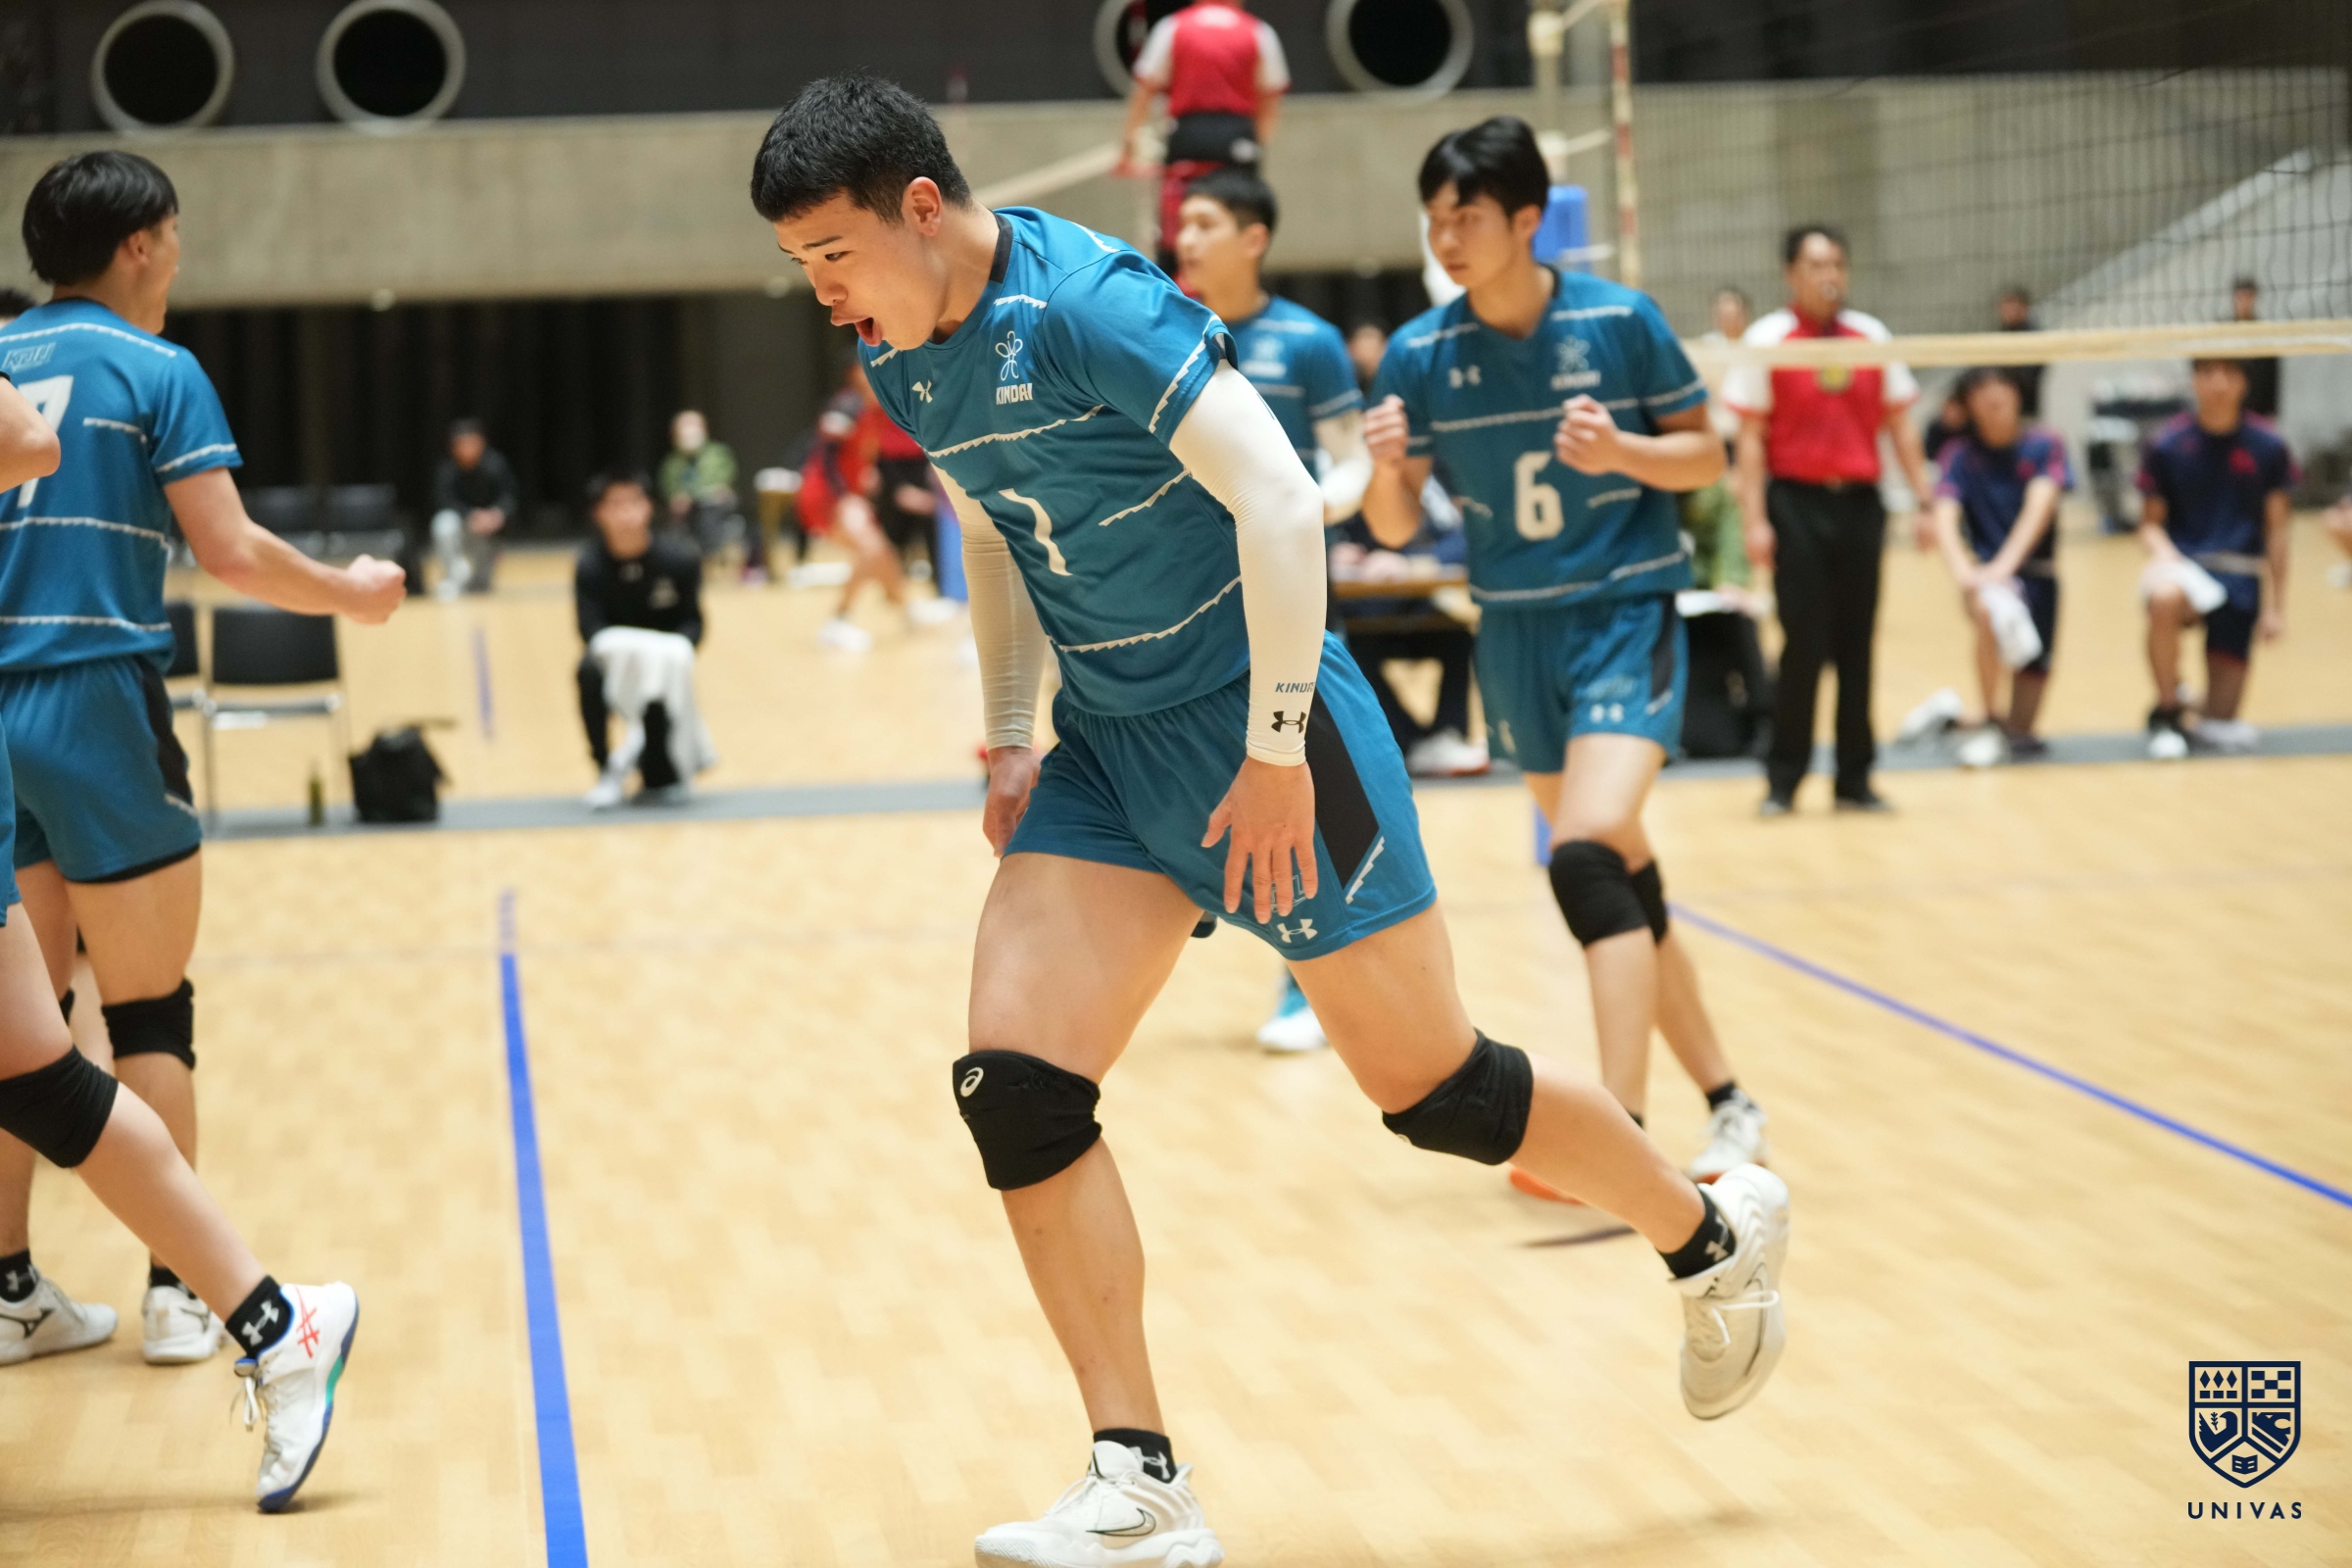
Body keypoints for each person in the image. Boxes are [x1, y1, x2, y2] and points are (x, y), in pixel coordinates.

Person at [753, 76, 1789, 1568]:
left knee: (1435, 1087)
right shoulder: (900, 350)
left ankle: (1708, 1229)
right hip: (1111, 752)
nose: (824, 291)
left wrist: (1281, 748)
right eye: (801, 266)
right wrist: (1010, 731)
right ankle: (1139, 1481)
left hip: (1272, 727)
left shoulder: (1091, 306)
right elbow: (987, 525)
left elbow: (1285, 505)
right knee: (1017, 1083)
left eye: (833, 253)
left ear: (921, 208)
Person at [0, 146, 392, 1472]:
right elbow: (228, 551)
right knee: (146, 1010)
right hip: (98, 699)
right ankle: (183, 1295)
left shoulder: (2, 359)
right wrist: (351, 593)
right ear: (143, 244)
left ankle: (12, 1288)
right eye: (174, 236)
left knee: (24, 1028)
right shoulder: (153, 369)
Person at [1364, 114, 1774, 1194]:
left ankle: (1617, 1139)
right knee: (1620, 872)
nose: (1448, 238)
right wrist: (1388, 472)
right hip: (1514, 633)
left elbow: (1706, 457)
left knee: (1585, 854)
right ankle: (1730, 1100)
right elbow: (1394, 527)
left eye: (1469, 216)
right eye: (1436, 219)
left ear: (1528, 221)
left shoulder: (1619, 321)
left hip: (1624, 616)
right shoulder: (1422, 353)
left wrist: (1623, 449)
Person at [1172, 166, 1397, 1054]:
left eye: (1204, 222)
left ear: (1254, 237)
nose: (1186, 238)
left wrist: (1306, 510)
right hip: (1187, 595)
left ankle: (1304, 988)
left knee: (1298, 779)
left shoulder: (1309, 343)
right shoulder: (1165, 327)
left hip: (1288, 597)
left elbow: (1351, 459)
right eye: (1182, 223)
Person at [1726, 222, 1936, 815]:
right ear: (1791, 274)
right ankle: (1784, 780)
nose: (1830, 276)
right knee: (1803, 644)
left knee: (1857, 643)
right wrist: (1754, 520)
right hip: (1795, 504)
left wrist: (1925, 501)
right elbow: (1750, 438)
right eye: (1817, 265)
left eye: (1837, 264)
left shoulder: (1870, 335)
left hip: (1861, 505)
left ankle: (1854, 779)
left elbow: (1900, 425)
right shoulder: (1768, 339)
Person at [2136, 358, 2293, 758]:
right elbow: (2149, 525)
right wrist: (2167, 557)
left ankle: (2190, 703)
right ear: (2194, 382)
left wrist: (2276, 607)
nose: (2218, 384)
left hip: (2240, 574)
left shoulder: (2268, 445)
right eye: (2208, 374)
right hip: (2187, 568)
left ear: (2243, 382)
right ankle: (2168, 709)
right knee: (2163, 598)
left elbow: (2278, 530)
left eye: (2228, 373)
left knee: (2219, 723)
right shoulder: (2168, 444)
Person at [1927, 368, 2068, 766]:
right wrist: (1966, 574)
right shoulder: (1958, 454)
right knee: (1989, 609)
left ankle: (1951, 718)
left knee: (2022, 732)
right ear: (1968, 403)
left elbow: (2039, 508)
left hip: (2036, 576)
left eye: (2000, 387)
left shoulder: (2045, 444)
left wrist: (2005, 567)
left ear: (2018, 394)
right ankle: (1987, 720)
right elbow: (1944, 516)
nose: (1992, 398)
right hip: (1985, 581)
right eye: (1981, 390)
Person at [1116, 0, 1289, 269]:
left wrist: (1129, 146)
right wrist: (1257, 141)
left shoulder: (1173, 27)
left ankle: (1173, 280)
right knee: (1242, 220)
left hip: (1187, 135)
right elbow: (1271, 96)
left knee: (1176, 224)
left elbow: (1145, 87)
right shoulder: (1258, 31)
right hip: (1238, 137)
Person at [798, 361, 956, 651]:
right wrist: (844, 496)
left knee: (883, 554)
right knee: (872, 549)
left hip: (848, 495)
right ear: (855, 374)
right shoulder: (846, 406)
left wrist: (867, 473)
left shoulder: (878, 411)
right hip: (827, 496)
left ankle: (907, 613)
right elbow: (826, 454)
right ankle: (838, 621)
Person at [576, 470, 708, 808]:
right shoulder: (590, 566)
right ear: (599, 513)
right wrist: (627, 651)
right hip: (613, 660)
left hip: (664, 664)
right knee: (587, 672)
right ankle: (605, 768)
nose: (626, 513)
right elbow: (589, 628)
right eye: (615, 505)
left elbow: (693, 622)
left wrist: (673, 652)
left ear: (649, 507)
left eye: (634, 503)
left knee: (659, 781)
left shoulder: (679, 559)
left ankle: (662, 766)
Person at [429, 416, 516, 598]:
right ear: (454, 447)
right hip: (463, 527)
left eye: (472, 443)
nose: (468, 449)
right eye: (463, 444)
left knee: (481, 586)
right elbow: (445, 501)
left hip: (490, 531)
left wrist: (497, 514)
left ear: (481, 443)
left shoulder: (496, 466)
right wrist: (470, 515)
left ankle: (479, 578)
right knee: (443, 523)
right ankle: (454, 577)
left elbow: (509, 497)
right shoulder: (447, 471)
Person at [657, 409, 748, 572]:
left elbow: (724, 481)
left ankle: (714, 557)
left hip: (715, 509)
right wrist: (677, 498)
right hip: (686, 514)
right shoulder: (671, 463)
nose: (689, 432)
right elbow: (669, 489)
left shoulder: (718, 454)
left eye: (693, 426)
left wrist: (702, 494)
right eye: (684, 427)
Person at [2230, 277, 2280, 419]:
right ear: (2234, 298)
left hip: (2258, 408)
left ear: (2254, 298)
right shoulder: (2222, 331)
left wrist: (2272, 411)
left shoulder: (2266, 334)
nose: (2244, 302)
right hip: (2229, 407)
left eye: (2248, 296)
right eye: (2240, 297)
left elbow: (2272, 377)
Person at [1994, 285, 2044, 420]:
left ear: (2024, 308)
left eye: (2012, 305)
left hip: (2025, 409)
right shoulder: (2001, 333)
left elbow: (2030, 376)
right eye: (2005, 306)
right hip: (2002, 408)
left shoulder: (2034, 335)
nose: (2008, 311)